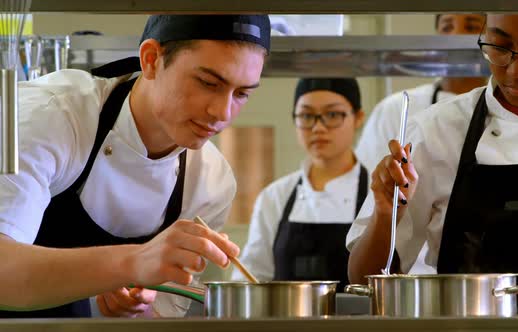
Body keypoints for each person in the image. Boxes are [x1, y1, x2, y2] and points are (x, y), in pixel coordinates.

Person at [0, 14, 270, 318]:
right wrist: (131, 262)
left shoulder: (211, 181)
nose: (222, 112)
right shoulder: (52, 115)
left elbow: (160, 315)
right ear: (152, 59)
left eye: (242, 93)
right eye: (208, 83)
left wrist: (137, 304)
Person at [347, 14, 518, 313]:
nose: (516, 70)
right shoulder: (438, 130)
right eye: (500, 47)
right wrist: (385, 215)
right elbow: (364, 281)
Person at [232, 78, 368, 291]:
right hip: (285, 323)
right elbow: (251, 276)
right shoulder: (275, 196)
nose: (318, 127)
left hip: (361, 324)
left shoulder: (376, 194)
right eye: (306, 116)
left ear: (358, 118)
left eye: (332, 115)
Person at [355, 13, 488, 172]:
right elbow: (367, 185)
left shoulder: (506, 108)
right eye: (447, 27)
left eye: (471, 27)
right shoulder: (396, 109)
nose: (456, 35)